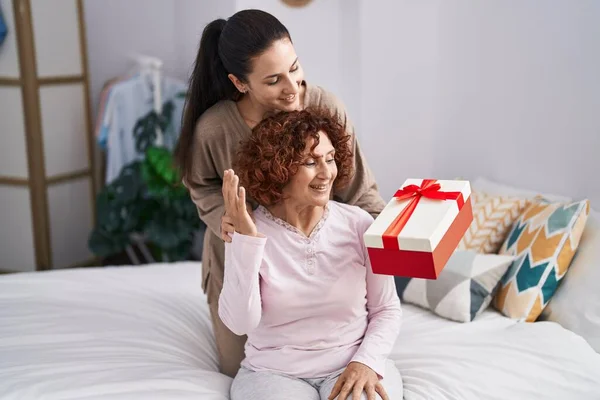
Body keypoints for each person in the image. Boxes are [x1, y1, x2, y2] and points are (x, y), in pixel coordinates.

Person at [174, 9, 387, 378]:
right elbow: (200, 184)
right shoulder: (216, 128)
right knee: (240, 371)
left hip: (316, 267)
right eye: (273, 80)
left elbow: (358, 189)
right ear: (240, 83)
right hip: (240, 263)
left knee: (344, 369)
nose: (292, 87)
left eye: (295, 68)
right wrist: (226, 220)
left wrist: (392, 239)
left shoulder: (324, 107)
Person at [221, 108, 402, 400]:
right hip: (272, 373)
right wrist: (246, 242)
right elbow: (241, 323)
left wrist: (366, 361)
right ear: (278, 169)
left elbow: (386, 309)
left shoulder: (359, 224)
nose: (326, 172)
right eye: (309, 161)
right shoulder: (245, 230)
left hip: (352, 365)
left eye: (330, 158)